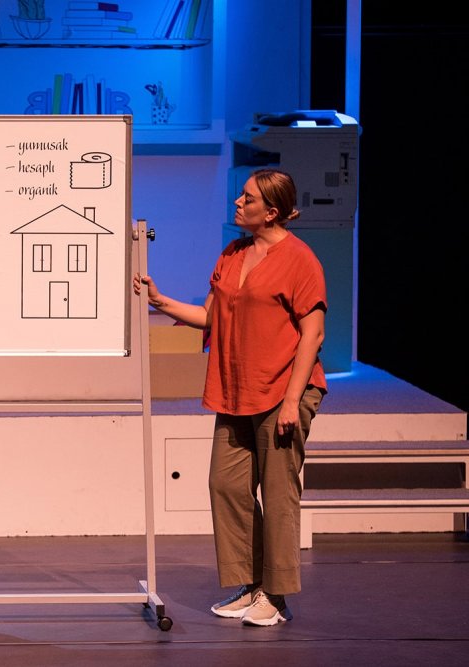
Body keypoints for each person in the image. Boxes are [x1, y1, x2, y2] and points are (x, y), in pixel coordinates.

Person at [133, 168, 327, 626]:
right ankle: (253, 583)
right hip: (236, 390)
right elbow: (210, 315)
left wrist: (291, 401)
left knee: (278, 494)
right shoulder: (233, 253)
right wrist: (160, 301)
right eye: (241, 195)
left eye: (248, 198)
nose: (238, 202)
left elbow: (313, 333)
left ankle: (275, 596)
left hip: (282, 390)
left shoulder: (300, 260)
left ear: (272, 212)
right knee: (226, 485)